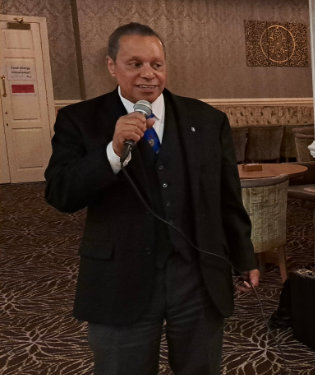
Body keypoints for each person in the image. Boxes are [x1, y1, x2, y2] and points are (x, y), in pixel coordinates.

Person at [43, 22, 259, 374]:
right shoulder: (80, 119)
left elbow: (226, 197)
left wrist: (243, 255)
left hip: (196, 276)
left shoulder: (207, 120)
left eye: (156, 64)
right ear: (112, 66)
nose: (148, 74)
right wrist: (112, 152)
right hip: (120, 277)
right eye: (135, 64)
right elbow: (60, 193)